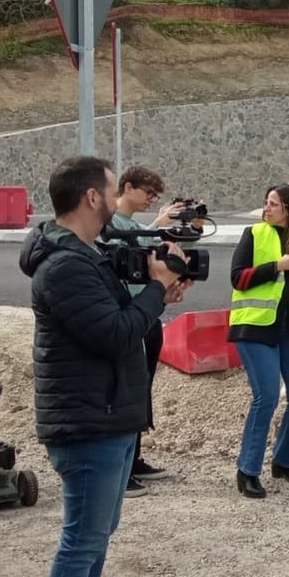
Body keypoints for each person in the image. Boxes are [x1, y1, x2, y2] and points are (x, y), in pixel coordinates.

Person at [20, 156, 191, 577]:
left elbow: (123, 320)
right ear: (93, 197)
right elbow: (117, 334)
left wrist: (156, 289)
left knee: (95, 539)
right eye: (113, 190)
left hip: (109, 414)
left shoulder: (89, 255)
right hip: (86, 421)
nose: (118, 199)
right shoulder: (64, 266)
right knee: (80, 542)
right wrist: (156, 293)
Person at [229, 184, 289, 499]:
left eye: (273, 204)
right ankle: (248, 471)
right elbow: (237, 277)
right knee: (267, 397)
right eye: (267, 202)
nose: (266, 208)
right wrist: (277, 267)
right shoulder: (254, 234)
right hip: (256, 329)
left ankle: (283, 461)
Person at [111, 165, 182, 496]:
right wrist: (157, 226)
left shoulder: (135, 225)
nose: (150, 200)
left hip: (148, 313)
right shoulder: (111, 223)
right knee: (127, 393)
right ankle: (121, 469)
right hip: (129, 315)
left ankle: (134, 458)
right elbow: (126, 249)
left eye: (155, 196)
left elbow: (148, 247)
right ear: (127, 187)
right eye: (147, 193)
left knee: (142, 391)